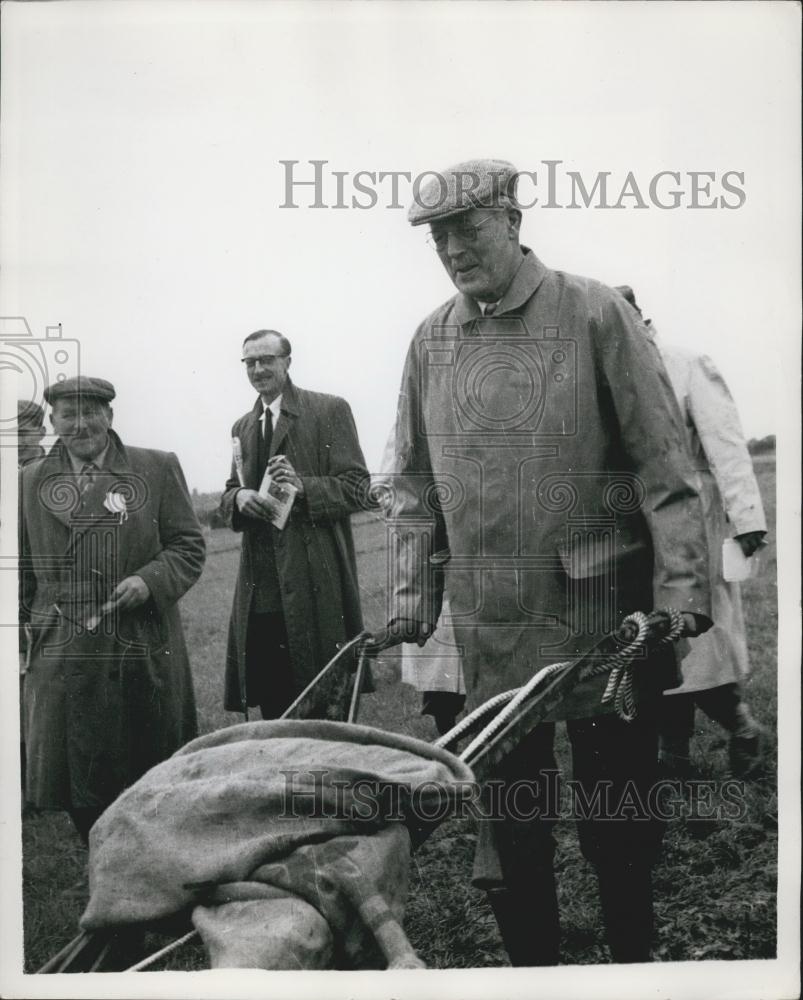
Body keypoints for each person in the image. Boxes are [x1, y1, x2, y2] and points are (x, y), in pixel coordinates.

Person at [373, 159, 712, 966]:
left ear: (513, 220)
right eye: (437, 235)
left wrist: (682, 592)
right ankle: (534, 974)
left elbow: (664, 466)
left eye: (466, 227)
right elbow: (415, 487)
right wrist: (416, 595)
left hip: (603, 622)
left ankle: (632, 963)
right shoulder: (430, 340)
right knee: (511, 829)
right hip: (489, 632)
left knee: (615, 822)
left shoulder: (594, 313)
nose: (452, 248)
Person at [19, 376, 204, 846]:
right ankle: (101, 860)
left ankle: (156, 862)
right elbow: (21, 570)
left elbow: (188, 546)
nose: (80, 425)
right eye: (67, 415)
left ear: (109, 415)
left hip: (138, 643)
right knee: (78, 776)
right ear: (55, 422)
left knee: (148, 768)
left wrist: (149, 580)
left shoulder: (154, 467)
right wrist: (35, 624)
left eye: (90, 412)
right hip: (63, 648)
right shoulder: (30, 480)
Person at [615, 286, 768, 778]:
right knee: (657, 640)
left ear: (640, 319)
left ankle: (743, 728)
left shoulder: (685, 364)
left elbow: (726, 443)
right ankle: (672, 750)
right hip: (640, 529)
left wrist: (747, 519)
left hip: (695, 521)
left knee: (700, 639)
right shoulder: (612, 378)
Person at [221, 330, 369, 719]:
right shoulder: (242, 427)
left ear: (288, 361)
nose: (258, 369)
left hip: (315, 584)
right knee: (275, 714)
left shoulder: (329, 410)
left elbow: (358, 489)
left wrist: (304, 488)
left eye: (266, 359)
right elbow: (229, 491)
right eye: (249, 362)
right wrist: (238, 498)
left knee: (325, 705)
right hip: (261, 592)